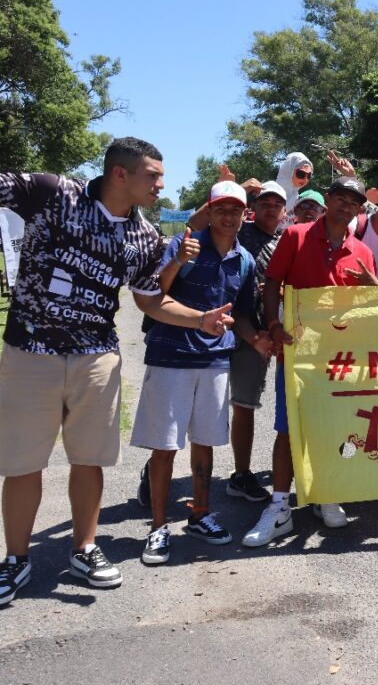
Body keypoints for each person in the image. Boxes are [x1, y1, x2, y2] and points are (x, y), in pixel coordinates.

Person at [0, 138, 234, 605]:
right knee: (23, 462)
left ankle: (84, 549)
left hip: (97, 358)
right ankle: (16, 559)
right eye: (153, 176)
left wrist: (200, 319)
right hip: (30, 352)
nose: (161, 185)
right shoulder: (53, 192)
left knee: (89, 459)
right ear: (120, 173)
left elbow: (151, 300)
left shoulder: (144, 237)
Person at [241, 176, 378, 547]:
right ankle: (279, 506)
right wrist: (273, 324)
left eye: (354, 202)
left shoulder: (362, 252)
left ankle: (325, 492)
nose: (346, 206)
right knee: (288, 428)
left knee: (334, 427)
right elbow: (273, 282)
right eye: (341, 198)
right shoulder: (295, 235)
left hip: (339, 357)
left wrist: (375, 288)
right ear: (328, 199)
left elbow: (372, 309)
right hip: (297, 351)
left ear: (359, 209)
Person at [131, 182, 260, 565]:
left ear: (244, 215)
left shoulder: (245, 260)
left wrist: (258, 340)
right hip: (171, 357)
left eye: (236, 210)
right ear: (210, 210)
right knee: (165, 446)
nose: (228, 216)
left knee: (205, 442)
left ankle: (200, 514)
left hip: (215, 360)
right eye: (221, 208)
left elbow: (242, 314)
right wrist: (176, 260)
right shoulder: (184, 245)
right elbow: (155, 293)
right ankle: (158, 527)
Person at [220, 180, 288, 503]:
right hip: (234, 328)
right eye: (265, 203)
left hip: (267, 331)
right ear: (253, 207)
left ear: (284, 210)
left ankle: (247, 473)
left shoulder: (284, 240)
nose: (271, 209)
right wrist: (235, 187)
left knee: (252, 404)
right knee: (224, 404)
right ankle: (240, 474)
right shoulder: (239, 231)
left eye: (277, 205)